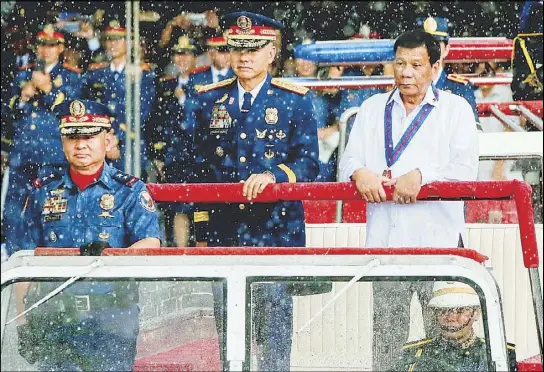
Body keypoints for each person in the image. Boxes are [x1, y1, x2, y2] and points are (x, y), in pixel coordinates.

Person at [339, 29, 479, 371]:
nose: (406, 72)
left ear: (434, 67)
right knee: (387, 344)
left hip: (439, 246)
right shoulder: (371, 109)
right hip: (387, 248)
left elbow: (465, 171)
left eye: (417, 64)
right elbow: (347, 160)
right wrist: (361, 174)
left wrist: (422, 177)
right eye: (400, 63)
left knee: (445, 340)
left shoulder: (455, 109)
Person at [188, 11, 319, 371]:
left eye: (254, 48)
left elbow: (309, 164)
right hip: (223, 232)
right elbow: (197, 170)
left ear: (271, 53)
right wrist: (201, 229)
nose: (245, 57)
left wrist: (275, 175)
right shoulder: (207, 100)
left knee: (274, 340)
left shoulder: (294, 100)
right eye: (237, 48)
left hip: (274, 232)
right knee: (230, 339)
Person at [15, 99, 162, 371]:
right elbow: (25, 259)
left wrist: (112, 257)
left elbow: (151, 242)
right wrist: (23, 323)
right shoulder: (42, 192)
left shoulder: (129, 190)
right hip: (55, 320)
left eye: (89, 136)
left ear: (107, 141)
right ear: (62, 143)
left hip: (111, 319)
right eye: (72, 137)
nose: (80, 144)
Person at [4, 24, 82, 257]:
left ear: (61, 48)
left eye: (51, 45)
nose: (46, 50)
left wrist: (48, 89)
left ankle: (49, 255)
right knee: (13, 210)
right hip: (23, 153)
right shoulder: (22, 72)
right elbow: (7, 112)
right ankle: (16, 254)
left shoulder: (71, 76)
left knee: (51, 208)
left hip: (52, 154)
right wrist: (22, 97)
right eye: (42, 45)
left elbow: (71, 110)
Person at [82, 19, 157, 175]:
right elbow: (89, 108)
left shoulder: (142, 75)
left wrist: (116, 137)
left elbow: (141, 113)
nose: (112, 44)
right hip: (98, 145)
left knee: (129, 193)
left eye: (118, 39)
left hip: (129, 145)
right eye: (109, 39)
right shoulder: (96, 74)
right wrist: (105, 139)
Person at [394, 281, 517, 371]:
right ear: (434, 313)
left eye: (460, 310)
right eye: (444, 310)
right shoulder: (414, 354)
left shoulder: (499, 354)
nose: (451, 318)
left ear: (476, 313)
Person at [151, 35, 198, 247]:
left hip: (198, 155)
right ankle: (180, 253)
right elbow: (156, 123)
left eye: (187, 54)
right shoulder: (165, 85)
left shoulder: (203, 85)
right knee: (176, 206)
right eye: (178, 54)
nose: (182, 59)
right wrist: (158, 156)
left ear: (195, 57)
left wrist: (184, 100)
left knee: (199, 208)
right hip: (173, 156)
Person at [416, 16, 482, 131]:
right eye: (424, 44)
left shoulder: (460, 88)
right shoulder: (407, 85)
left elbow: (473, 132)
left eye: (436, 44)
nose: (429, 49)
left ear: (446, 49)